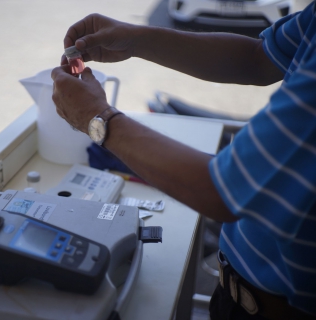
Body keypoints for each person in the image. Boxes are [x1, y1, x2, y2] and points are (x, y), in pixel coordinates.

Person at [51, 3, 316, 320]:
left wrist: (97, 119)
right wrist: (135, 38)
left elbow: (221, 190)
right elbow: (259, 57)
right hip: (240, 292)